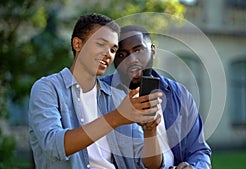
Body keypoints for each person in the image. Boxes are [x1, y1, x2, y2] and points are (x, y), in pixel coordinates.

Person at [28, 14, 163, 169]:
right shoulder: (47, 88)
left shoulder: (117, 97)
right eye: (100, 44)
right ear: (77, 44)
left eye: (113, 49)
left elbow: (148, 164)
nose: (108, 54)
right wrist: (117, 117)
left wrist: (150, 131)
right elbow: (53, 145)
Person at [101, 25, 212, 169]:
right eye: (122, 55)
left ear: (152, 50)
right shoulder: (100, 93)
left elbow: (199, 150)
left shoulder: (179, 94)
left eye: (138, 50)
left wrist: (193, 167)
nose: (132, 59)